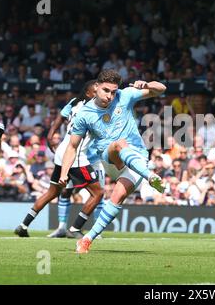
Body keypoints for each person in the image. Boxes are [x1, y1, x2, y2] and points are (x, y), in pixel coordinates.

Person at [59, 69, 166, 253]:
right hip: (110, 159)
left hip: (137, 158)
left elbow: (162, 88)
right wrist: (63, 173)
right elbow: (72, 146)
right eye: (106, 90)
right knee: (119, 144)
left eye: (113, 92)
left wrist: (147, 84)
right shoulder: (84, 114)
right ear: (97, 87)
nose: (110, 96)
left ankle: (86, 239)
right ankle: (151, 176)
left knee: (117, 198)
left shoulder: (125, 96)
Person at [14, 81, 104, 238]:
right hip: (75, 155)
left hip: (62, 151)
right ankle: (75, 229)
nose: (102, 94)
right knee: (98, 193)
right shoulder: (93, 110)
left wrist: (50, 135)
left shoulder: (75, 102)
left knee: (52, 192)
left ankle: (23, 225)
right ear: (89, 94)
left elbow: (60, 118)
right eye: (98, 91)